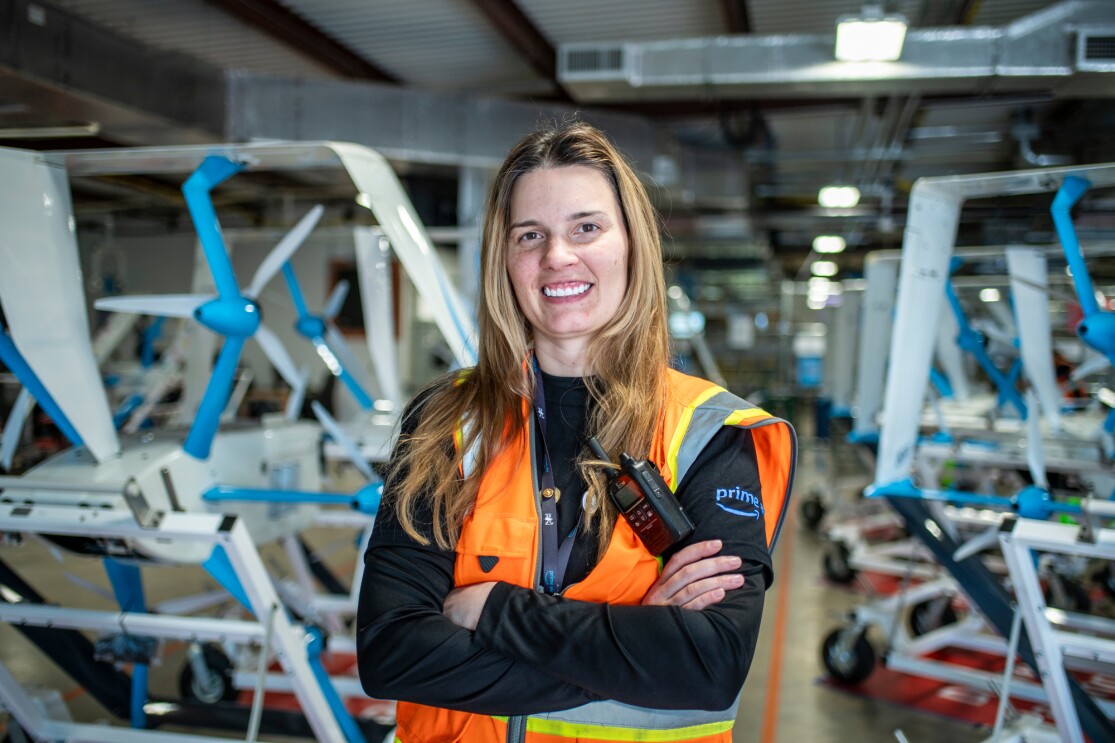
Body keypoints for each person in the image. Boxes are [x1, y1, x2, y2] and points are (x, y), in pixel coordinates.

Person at [356, 120, 797, 743]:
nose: (557, 256)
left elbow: (709, 665)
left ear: (631, 245)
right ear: (505, 260)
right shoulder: (444, 423)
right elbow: (391, 653)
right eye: (529, 235)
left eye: (586, 228)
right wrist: (634, 644)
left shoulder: (710, 436)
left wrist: (492, 610)